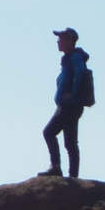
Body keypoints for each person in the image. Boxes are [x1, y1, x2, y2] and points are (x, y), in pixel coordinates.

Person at [42, 27, 90, 179]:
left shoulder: (74, 57)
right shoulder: (69, 58)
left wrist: (73, 94)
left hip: (69, 106)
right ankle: (72, 175)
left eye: (61, 39)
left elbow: (81, 71)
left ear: (69, 41)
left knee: (49, 132)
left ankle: (57, 167)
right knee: (70, 141)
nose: (58, 42)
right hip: (69, 105)